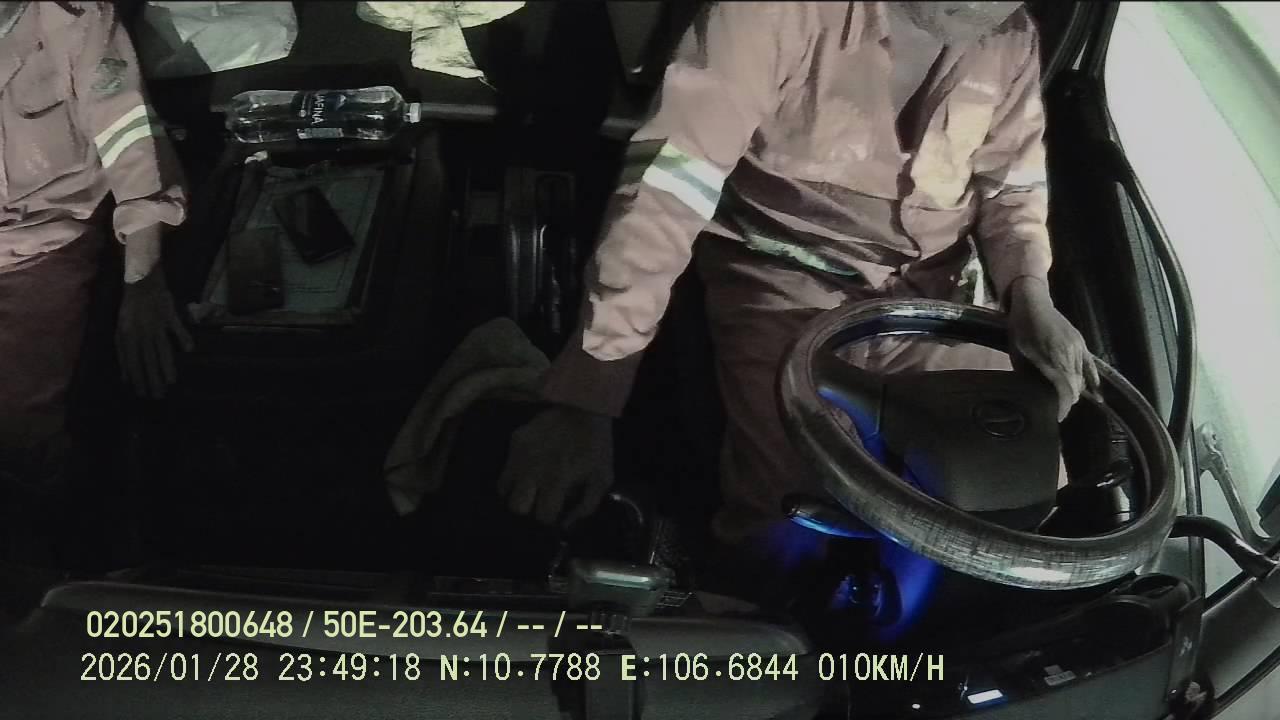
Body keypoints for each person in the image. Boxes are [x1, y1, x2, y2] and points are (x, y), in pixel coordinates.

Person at [499, 2, 1098, 557]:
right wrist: (588, 398)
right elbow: (667, 192)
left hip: (936, 297)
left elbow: (1011, 190)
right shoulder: (771, 12)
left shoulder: (1009, 38)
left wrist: (1030, 294)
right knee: (795, 515)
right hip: (784, 279)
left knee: (1019, 492)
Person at [0, 0, 190, 469]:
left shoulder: (75, 19)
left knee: (19, 427)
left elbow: (132, 143)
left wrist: (142, 281)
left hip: (41, 247)